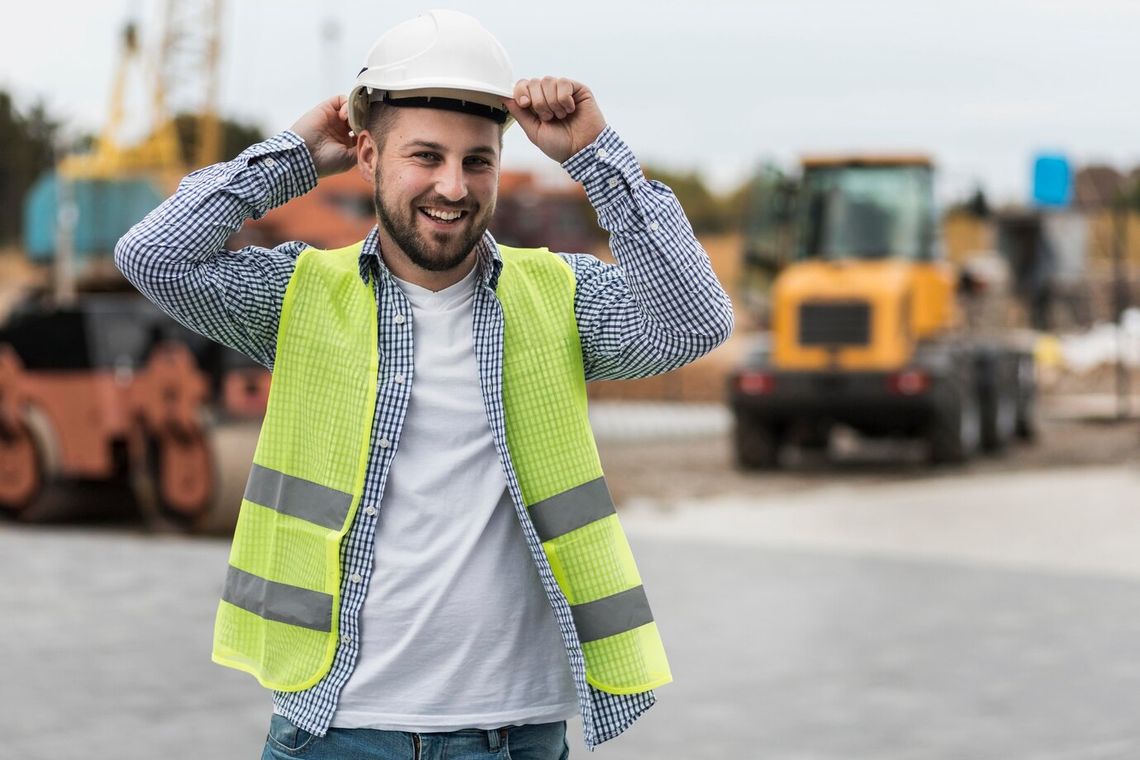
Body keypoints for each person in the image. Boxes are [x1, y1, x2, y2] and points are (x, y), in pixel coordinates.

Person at [116, 9, 732, 760]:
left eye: (478, 161)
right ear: (368, 154)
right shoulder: (298, 295)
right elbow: (153, 256)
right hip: (338, 730)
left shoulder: (558, 296)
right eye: (426, 156)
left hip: (514, 734)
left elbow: (693, 323)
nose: (453, 185)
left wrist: (597, 156)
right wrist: (295, 158)